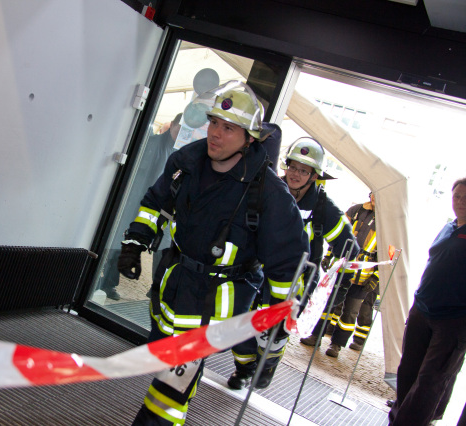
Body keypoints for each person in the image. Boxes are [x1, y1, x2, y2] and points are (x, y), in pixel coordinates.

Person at [118, 81, 309, 425]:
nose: (215, 134)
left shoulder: (269, 194)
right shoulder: (185, 163)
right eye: (214, 123)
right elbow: (155, 204)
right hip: (171, 289)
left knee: (171, 389)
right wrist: (134, 242)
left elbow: (287, 264)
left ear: (250, 137)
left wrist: (276, 320)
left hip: (210, 305)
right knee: (165, 368)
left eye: (229, 128)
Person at [227, 138, 360, 390]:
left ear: (314, 176)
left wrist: (339, 279)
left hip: (296, 283)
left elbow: (348, 247)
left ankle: (267, 364)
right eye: (293, 167)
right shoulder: (269, 190)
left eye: (304, 170)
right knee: (242, 321)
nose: (296, 174)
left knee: (275, 332)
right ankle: (244, 368)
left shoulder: (324, 209)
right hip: (258, 274)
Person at [388, 177, 466, 425]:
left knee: (430, 380)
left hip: (453, 320)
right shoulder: (449, 227)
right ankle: (400, 415)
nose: (461, 202)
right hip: (422, 309)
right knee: (408, 371)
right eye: (457, 197)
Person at [100, 113, 182, 301]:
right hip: (140, 204)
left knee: (161, 246)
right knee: (124, 241)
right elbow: (140, 179)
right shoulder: (154, 145)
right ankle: (106, 283)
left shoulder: (177, 153)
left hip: (157, 208)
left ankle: (155, 287)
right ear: (173, 125)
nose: (182, 133)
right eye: (181, 128)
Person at [323, 192, 379, 358]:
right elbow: (339, 235)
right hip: (343, 269)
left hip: (363, 277)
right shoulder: (356, 210)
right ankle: (316, 335)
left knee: (350, 313)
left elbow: (388, 254)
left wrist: (375, 277)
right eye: (374, 193)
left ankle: (336, 345)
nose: (376, 197)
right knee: (328, 305)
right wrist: (328, 255)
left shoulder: (389, 221)